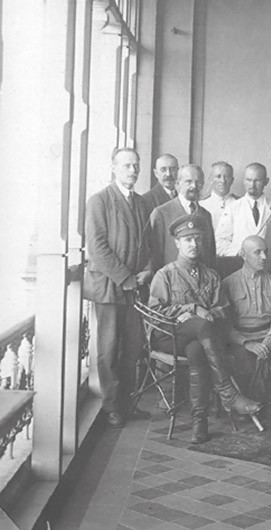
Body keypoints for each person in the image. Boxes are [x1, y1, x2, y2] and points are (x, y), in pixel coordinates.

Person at [148, 215, 262, 444]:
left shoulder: (211, 275)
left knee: (197, 350)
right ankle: (228, 393)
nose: (194, 244)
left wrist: (205, 314)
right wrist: (191, 309)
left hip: (200, 340)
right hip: (169, 336)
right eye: (187, 240)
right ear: (177, 243)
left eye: (197, 239)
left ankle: (199, 423)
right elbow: (155, 313)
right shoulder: (165, 274)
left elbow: (223, 310)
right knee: (201, 326)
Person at [84, 147, 152, 428]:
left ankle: (127, 403)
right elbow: (97, 248)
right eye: (126, 166)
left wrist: (147, 268)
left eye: (136, 165)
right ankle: (112, 406)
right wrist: (126, 278)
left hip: (134, 286)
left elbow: (147, 242)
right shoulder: (99, 200)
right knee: (109, 349)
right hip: (110, 286)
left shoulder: (141, 202)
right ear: (113, 168)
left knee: (133, 347)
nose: (133, 170)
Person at [222, 236, 271, 423]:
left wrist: (270, 338)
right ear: (243, 255)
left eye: (265, 252)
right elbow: (223, 324)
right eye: (258, 252)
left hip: (268, 334)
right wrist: (246, 343)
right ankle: (246, 403)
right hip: (241, 337)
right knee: (239, 357)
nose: (264, 257)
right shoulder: (228, 284)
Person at [148, 164, 216, 272]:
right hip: (172, 278)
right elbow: (153, 257)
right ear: (177, 184)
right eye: (188, 181)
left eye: (198, 182)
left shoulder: (205, 215)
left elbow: (210, 256)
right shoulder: (161, 213)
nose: (194, 186)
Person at [216, 162, 271, 257]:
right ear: (244, 181)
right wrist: (240, 252)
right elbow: (220, 241)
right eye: (249, 180)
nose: (252, 185)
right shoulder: (232, 208)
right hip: (238, 262)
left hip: (266, 262)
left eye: (257, 180)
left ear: (266, 181)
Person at [199, 161, 239, 229]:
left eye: (227, 177)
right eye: (218, 176)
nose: (223, 181)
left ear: (232, 180)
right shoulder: (201, 205)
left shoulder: (240, 204)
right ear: (210, 179)